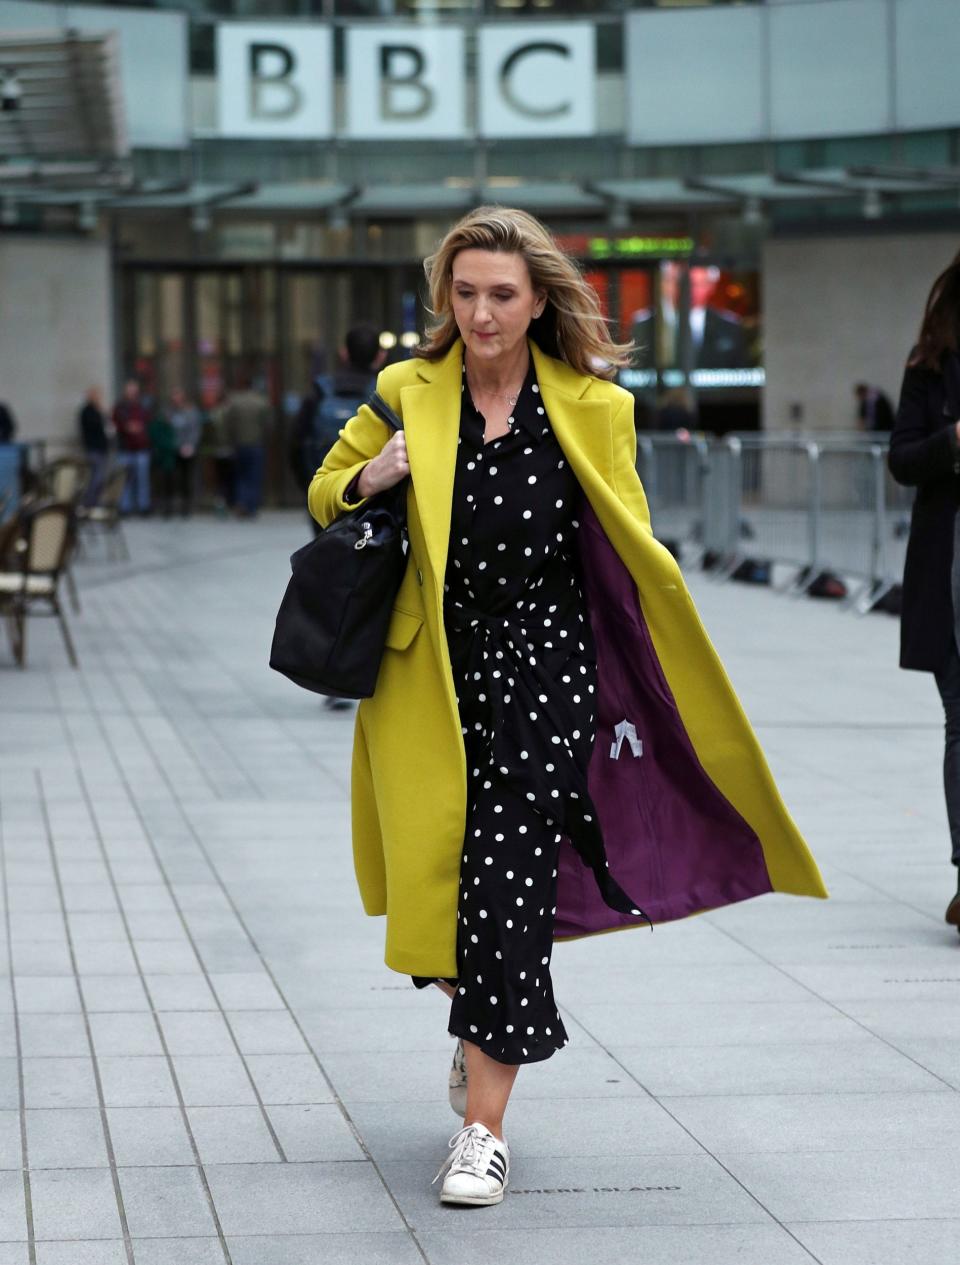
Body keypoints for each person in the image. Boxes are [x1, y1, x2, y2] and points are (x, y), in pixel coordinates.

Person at [308, 206, 826, 1209]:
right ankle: (479, 1026)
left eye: (501, 294)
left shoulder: (595, 407)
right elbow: (324, 490)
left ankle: (482, 1129)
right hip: (434, 677)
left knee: (504, 882)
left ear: (539, 298)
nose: (482, 313)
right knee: (440, 889)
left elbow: (624, 550)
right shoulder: (404, 393)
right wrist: (368, 478)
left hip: (547, 677)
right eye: (464, 294)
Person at [888, 250, 960, 935]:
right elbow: (902, 458)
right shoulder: (932, 362)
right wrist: (955, 439)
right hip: (949, 567)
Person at [223, 375, 271, 517]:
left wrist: (230, 440)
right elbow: (268, 425)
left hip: (239, 444)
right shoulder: (261, 402)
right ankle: (252, 506)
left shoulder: (234, 402)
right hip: (256, 444)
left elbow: (227, 423)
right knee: (254, 476)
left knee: (240, 476)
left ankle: (241, 503)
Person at [112, 380, 151, 515]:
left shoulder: (143, 405)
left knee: (142, 480)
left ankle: (143, 507)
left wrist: (140, 428)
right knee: (125, 480)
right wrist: (127, 427)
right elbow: (116, 422)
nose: (132, 393)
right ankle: (125, 507)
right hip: (125, 448)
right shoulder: (120, 407)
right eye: (129, 390)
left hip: (141, 448)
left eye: (134, 390)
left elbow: (149, 422)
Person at [168, 388, 202, 517]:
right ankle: (171, 505)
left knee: (186, 478)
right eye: (174, 398)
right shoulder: (169, 412)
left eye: (179, 398)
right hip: (172, 449)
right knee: (172, 478)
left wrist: (190, 445)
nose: (176, 401)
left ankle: (186, 507)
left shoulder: (191, 412)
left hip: (187, 449)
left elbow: (195, 430)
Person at [78, 387, 110, 506]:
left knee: (100, 479)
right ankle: (90, 503)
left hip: (101, 449)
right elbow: (96, 426)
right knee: (95, 479)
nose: (98, 398)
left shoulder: (97, 410)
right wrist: (102, 414)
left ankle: (95, 502)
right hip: (94, 449)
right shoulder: (87, 411)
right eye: (96, 396)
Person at [148, 406, 177, 518]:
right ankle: (160, 506)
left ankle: (169, 507)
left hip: (170, 459)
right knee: (160, 484)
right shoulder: (157, 425)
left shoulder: (170, 426)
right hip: (160, 458)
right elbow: (157, 439)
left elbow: (173, 440)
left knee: (170, 484)